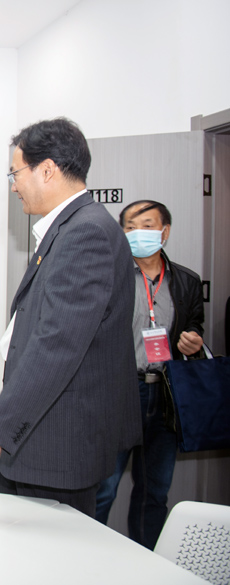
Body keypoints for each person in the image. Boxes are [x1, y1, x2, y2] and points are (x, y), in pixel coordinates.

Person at [0, 118, 141, 517]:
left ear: (47, 170)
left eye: (15, 173)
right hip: (43, 439)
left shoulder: (85, 233)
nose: (13, 185)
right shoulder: (70, 228)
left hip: (57, 444)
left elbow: (56, 346)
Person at [94, 200, 204, 548]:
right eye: (129, 226)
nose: (137, 233)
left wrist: (194, 342)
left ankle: (146, 562)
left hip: (166, 397)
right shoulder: (108, 276)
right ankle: (86, 560)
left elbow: (194, 327)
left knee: (154, 491)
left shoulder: (186, 281)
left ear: (164, 232)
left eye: (146, 225)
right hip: (120, 393)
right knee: (103, 488)